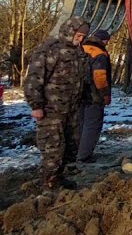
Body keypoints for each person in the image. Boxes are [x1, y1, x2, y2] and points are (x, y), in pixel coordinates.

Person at [23, 17, 90, 190]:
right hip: (51, 110)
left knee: (70, 146)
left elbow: (83, 78)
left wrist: (87, 97)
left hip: (72, 109)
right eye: (79, 35)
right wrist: (36, 106)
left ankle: (59, 177)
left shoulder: (79, 52)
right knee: (53, 148)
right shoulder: (49, 50)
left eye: (83, 36)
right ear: (70, 31)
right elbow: (34, 80)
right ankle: (48, 182)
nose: (81, 39)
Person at [77, 32, 113, 163]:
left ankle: (76, 152)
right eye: (107, 41)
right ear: (102, 40)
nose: (107, 43)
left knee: (80, 123)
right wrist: (105, 94)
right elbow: (99, 77)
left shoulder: (80, 48)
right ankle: (84, 155)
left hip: (78, 93)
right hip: (93, 94)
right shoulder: (99, 54)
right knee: (92, 125)